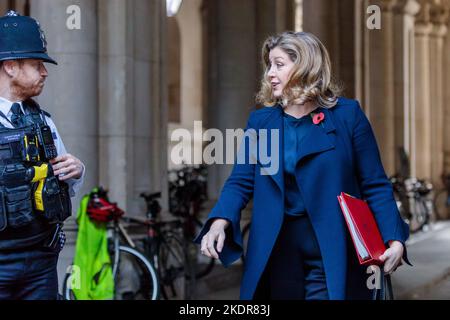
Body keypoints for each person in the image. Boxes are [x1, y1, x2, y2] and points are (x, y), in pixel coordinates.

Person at [196, 31, 410, 300]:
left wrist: (394, 237)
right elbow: (241, 181)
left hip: (332, 247)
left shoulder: (347, 116)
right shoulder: (261, 123)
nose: (270, 74)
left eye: (279, 64)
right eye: (269, 65)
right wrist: (219, 221)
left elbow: (375, 183)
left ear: (305, 66)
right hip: (276, 249)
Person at [0, 11, 85, 300]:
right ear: (10, 66)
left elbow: (65, 186)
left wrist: (76, 170)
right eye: (37, 64)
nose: (45, 72)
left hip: (41, 262)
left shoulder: (43, 121)